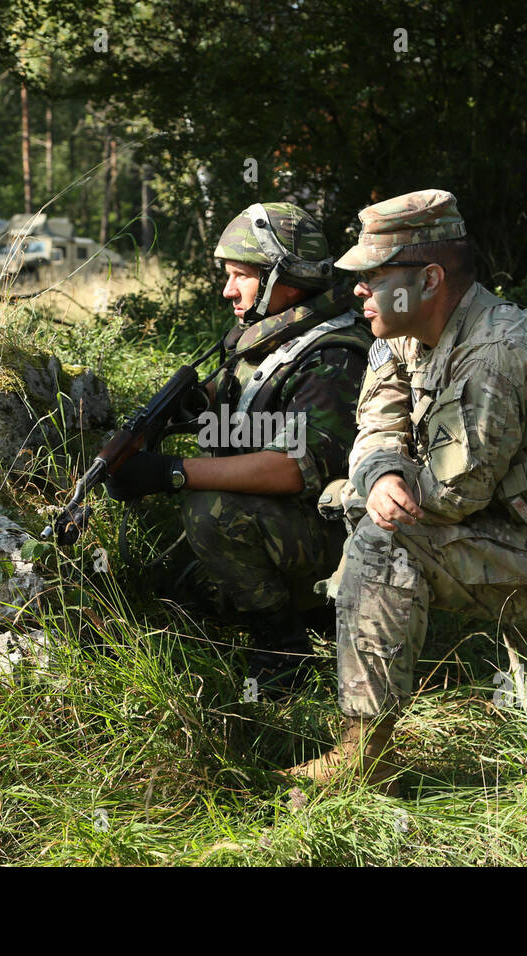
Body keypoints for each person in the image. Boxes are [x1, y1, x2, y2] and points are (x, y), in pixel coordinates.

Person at [288, 188, 527, 793]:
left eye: (374, 275)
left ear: (428, 280)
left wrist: (366, 493)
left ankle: (361, 756)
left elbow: (454, 495)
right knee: (368, 507)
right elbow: (378, 417)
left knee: (382, 540)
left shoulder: (494, 354)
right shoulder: (399, 329)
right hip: (517, 526)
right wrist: (378, 472)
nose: (357, 288)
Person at [105, 201, 374, 694]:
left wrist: (171, 472)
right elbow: (246, 401)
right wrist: (186, 408)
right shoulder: (273, 338)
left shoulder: (332, 356)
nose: (229, 290)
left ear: (283, 276)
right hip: (290, 518)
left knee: (210, 511)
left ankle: (283, 645)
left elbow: (292, 467)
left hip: (339, 536)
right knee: (180, 586)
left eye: (240, 276)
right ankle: (274, 604)